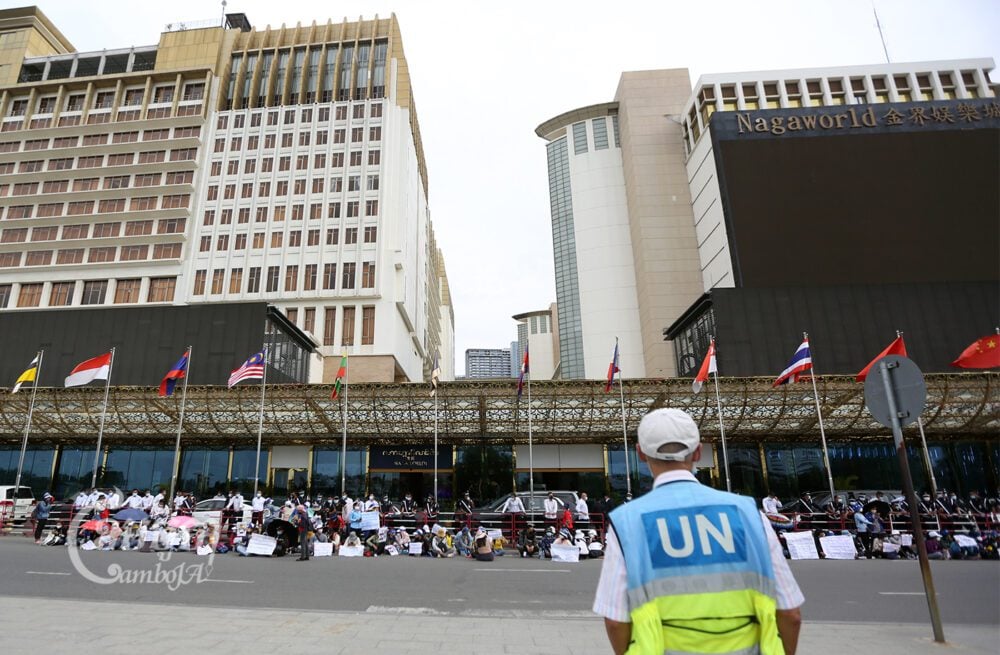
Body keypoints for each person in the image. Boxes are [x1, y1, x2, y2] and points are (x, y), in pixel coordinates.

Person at [594, 408, 803, 655]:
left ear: (640, 453)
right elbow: (790, 613)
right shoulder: (748, 513)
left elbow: (616, 620)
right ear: (698, 452)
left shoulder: (626, 522)